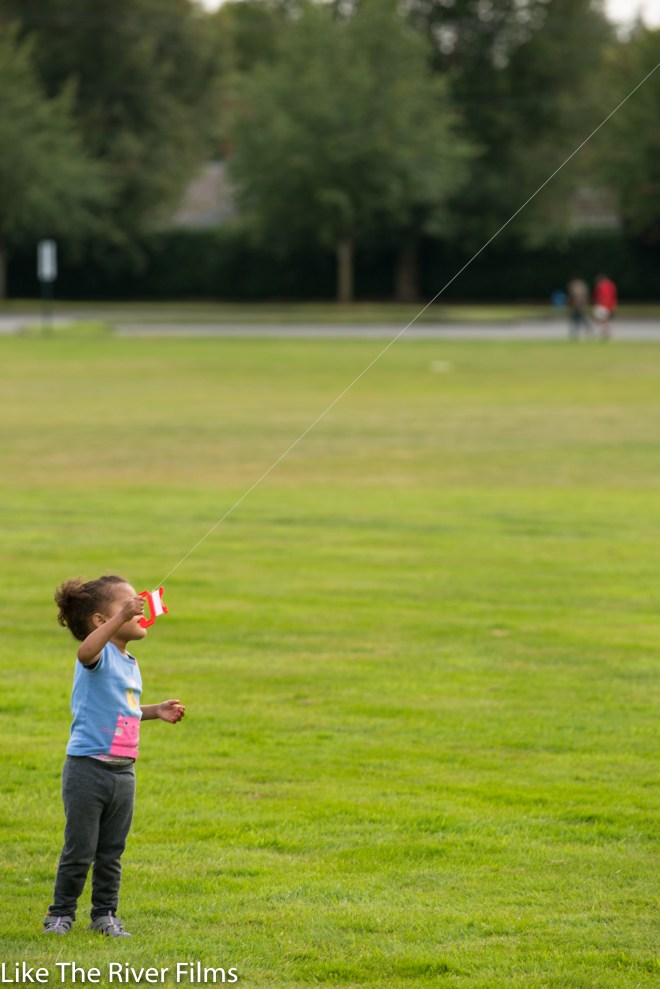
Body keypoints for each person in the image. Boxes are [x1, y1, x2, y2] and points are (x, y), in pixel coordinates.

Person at [43, 575, 185, 937]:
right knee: (80, 850)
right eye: (127, 603)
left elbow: (125, 709)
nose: (137, 606)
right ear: (101, 621)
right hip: (88, 770)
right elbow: (84, 652)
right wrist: (120, 617)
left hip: (123, 773)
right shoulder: (99, 655)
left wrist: (156, 710)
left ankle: (105, 914)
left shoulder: (130, 662)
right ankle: (60, 915)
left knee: (111, 852)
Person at [593, 274, 618, 340]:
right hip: (609, 306)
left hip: (602, 305)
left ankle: (604, 332)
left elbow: (597, 296)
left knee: (600, 320)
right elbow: (614, 296)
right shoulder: (612, 285)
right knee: (606, 320)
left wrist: (597, 304)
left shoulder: (600, 286)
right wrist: (613, 305)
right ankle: (607, 332)